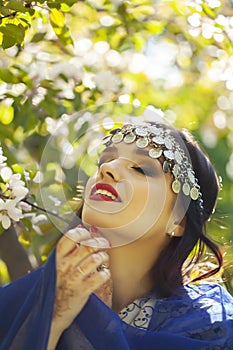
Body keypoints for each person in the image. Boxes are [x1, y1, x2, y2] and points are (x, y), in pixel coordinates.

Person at [0, 118, 233, 350]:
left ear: (178, 220)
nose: (106, 169)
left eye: (140, 169)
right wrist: (53, 317)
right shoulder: (21, 300)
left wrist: (99, 328)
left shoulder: (210, 329)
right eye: (105, 160)